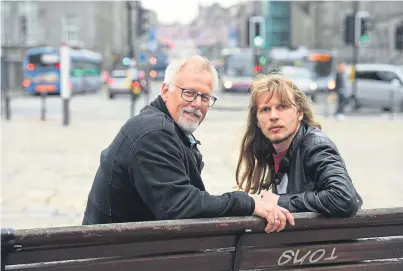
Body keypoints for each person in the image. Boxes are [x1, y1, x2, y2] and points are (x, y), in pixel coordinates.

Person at [82, 56, 295, 233]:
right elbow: (181, 207)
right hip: (117, 257)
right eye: (189, 93)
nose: (196, 104)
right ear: (165, 91)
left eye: (205, 97)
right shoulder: (153, 133)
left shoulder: (169, 130)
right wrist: (248, 204)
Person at [236, 72, 363, 218]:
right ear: (257, 121)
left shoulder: (315, 146)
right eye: (265, 109)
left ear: (300, 113)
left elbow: (344, 198)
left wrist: (280, 201)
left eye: (282, 106)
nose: (273, 116)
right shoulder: (273, 152)